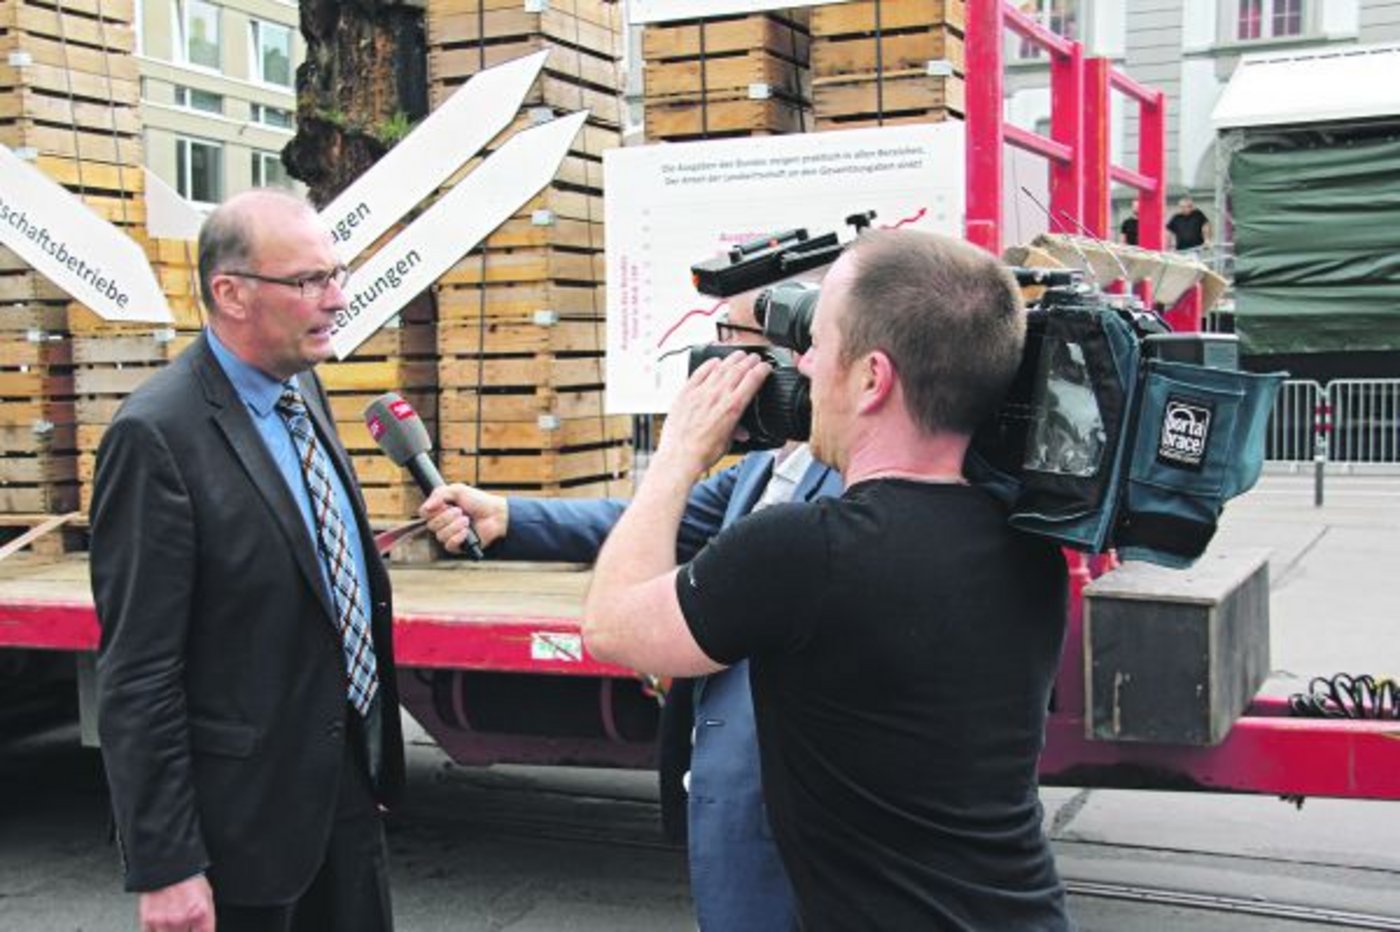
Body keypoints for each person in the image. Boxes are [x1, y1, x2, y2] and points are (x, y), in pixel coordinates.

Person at [580, 229, 1072, 930]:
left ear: (873, 378)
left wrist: (678, 455)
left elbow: (612, 625)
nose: (803, 362)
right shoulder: (1028, 545)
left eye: (820, 339)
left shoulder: (809, 552)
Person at [421, 280, 841, 932]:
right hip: (727, 808)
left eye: (730, 337)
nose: (712, 355)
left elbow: (619, 627)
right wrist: (507, 514)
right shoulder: (763, 469)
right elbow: (649, 520)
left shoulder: (846, 480)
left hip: (789, 811)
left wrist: (679, 452)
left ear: (797, 356)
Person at [90, 189, 404, 932]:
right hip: (244, 836)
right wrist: (167, 865)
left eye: (338, 273)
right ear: (229, 293)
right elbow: (138, 671)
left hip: (344, 797)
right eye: (308, 282)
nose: (337, 298)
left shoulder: (302, 388)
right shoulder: (156, 437)